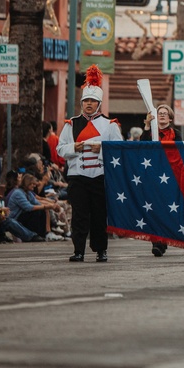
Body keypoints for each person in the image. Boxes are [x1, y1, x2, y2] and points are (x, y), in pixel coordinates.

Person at [57, 65, 123, 263]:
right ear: (81, 102)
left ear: (99, 104)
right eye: (86, 100)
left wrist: (101, 149)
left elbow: (119, 151)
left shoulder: (110, 125)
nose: (88, 104)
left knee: (99, 216)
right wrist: (74, 148)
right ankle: (79, 250)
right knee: (79, 216)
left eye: (92, 101)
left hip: (100, 176)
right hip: (78, 177)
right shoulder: (71, 124)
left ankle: (101, 250)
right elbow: (60, 149)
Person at [140, 104, 182, 257]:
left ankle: (163, 239)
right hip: (152, 174)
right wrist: (146, 125)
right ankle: (157, 242)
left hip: (169, 175)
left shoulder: (175, 134)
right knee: (153, 208)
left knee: (166, 209)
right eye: (160, 113)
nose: (162, 115)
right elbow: (142, 146)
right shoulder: (150, 132)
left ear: (170, 118)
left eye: (165, 113)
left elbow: (180, 153)